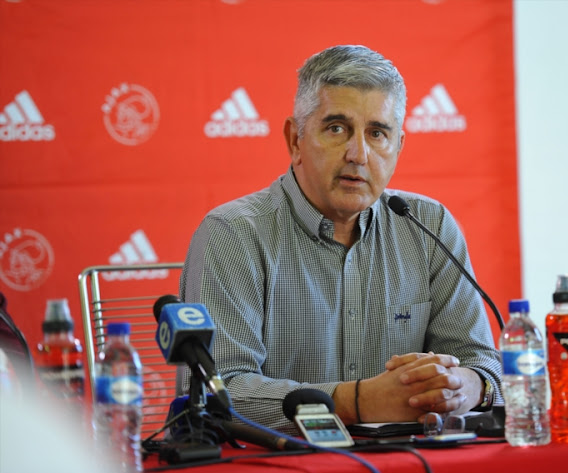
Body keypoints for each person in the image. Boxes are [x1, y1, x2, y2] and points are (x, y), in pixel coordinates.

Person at [179, 44, 502, 432]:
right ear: (295, 139)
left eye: (377, 133)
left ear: (399, 146)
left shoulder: (428, 224)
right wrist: (357, 402)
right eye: (337, 129)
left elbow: (484, 365)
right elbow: (218, 392)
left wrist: (463, 387)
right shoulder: (233, 234)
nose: (358, 154)